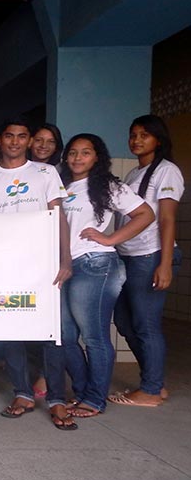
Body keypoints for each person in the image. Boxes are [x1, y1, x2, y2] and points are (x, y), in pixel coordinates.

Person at [0, 117, 76, 431]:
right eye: (9, 136)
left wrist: (65, 257)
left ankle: (57, 399)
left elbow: (59, 216)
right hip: (4, 268)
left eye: (21, 136)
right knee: (11, 331)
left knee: (51, 334)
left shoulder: (45, 173)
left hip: (44, 265)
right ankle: (23, 394)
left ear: (28, 140)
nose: (15, 141)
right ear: (0, 140)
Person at [59, 134, 154, 417]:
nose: (77, 158)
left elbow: (145, 214)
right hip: (63, 266)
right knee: (63, 336)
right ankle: (83, 391)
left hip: (94, 263)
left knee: (94, 336)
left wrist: (111, 239)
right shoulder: (60, 185)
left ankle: (94, 399)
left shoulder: (107, 185)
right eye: (73, 152)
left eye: (85, 152)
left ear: (97, 157)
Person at [109, 115, 185, 408]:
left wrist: (164, 264)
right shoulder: (134, 174)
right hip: (128, 256)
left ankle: (151, 390)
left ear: (158, 139)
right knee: (124, 321)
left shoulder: (167, 171)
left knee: (146, 324)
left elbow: (167, 219)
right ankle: (155, 383)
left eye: (144, 135)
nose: (137, 140)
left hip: (150, 255)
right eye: (133, 135)